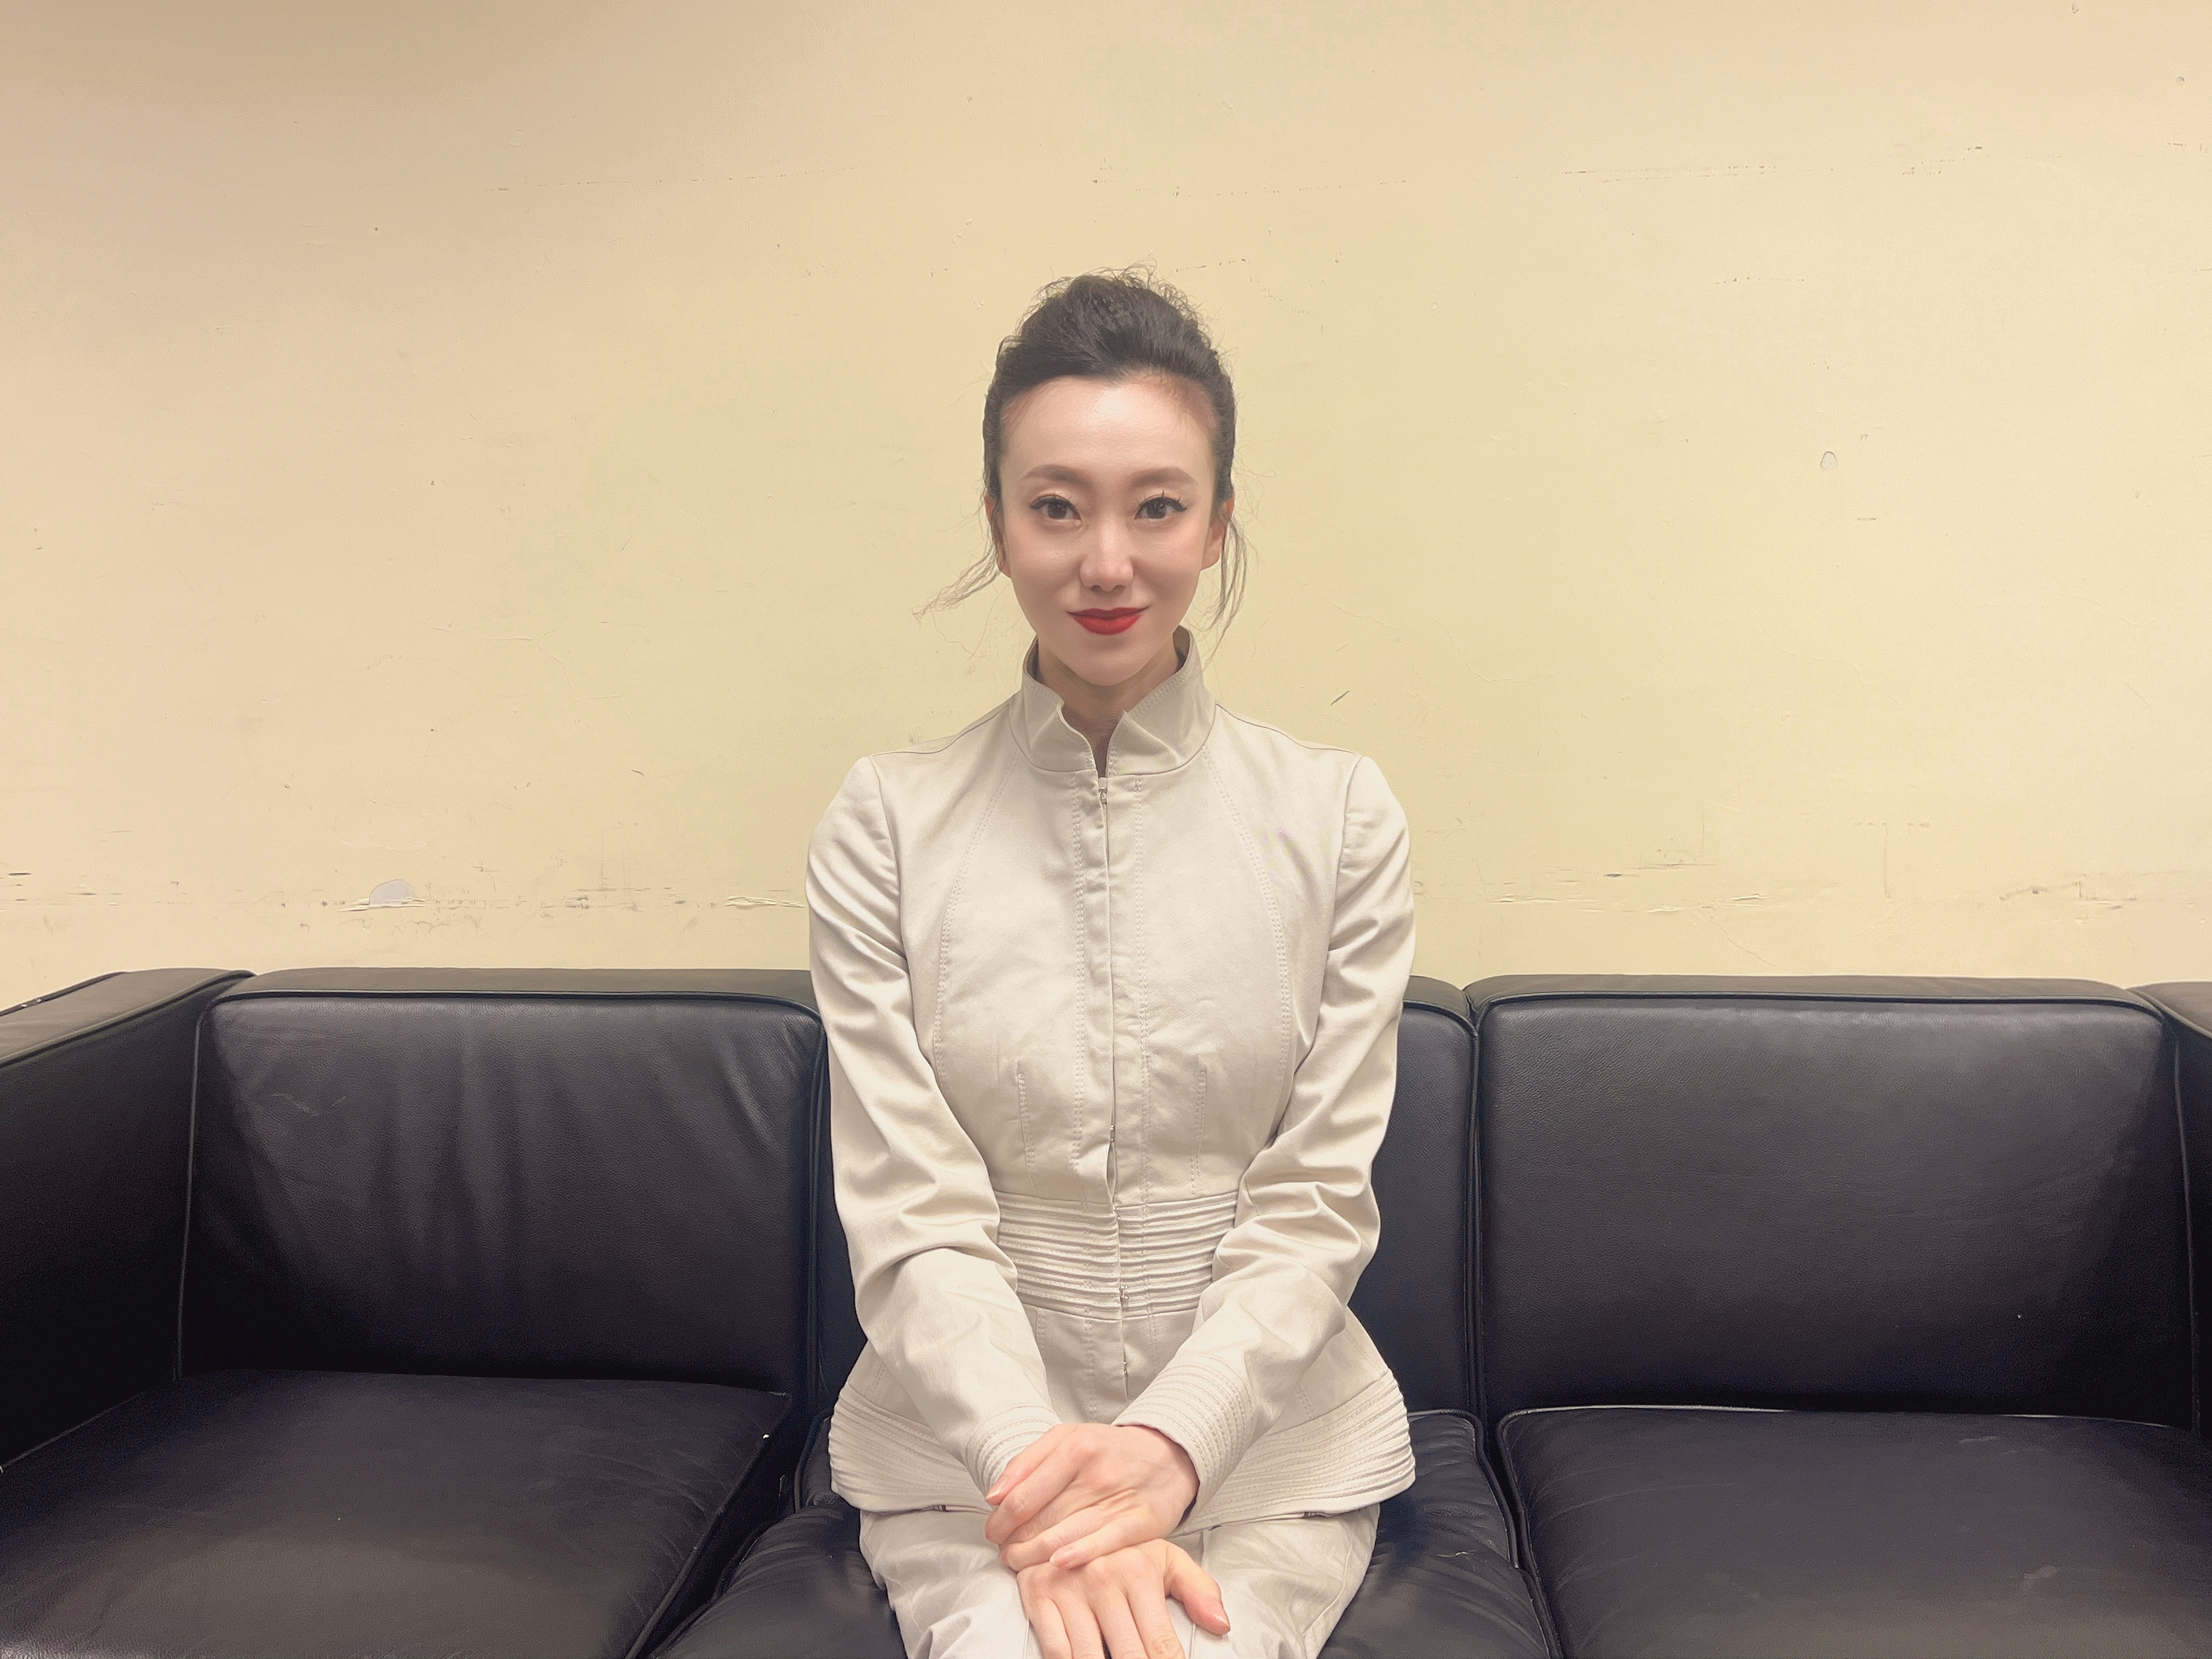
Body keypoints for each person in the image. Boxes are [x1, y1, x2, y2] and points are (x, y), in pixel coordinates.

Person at [805, 270, 1417, 1659]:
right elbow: (912, 1212)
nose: (1105, 562)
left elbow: (1317, 1202)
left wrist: (1171, 1450)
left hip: (1266, 1456)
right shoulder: (887, 824)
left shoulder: (1338, 817)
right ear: (998, 521)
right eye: (1056, 505)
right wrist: (1049, 1483)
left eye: (1156, 507)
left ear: (1216, 525)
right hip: (973, 1468)